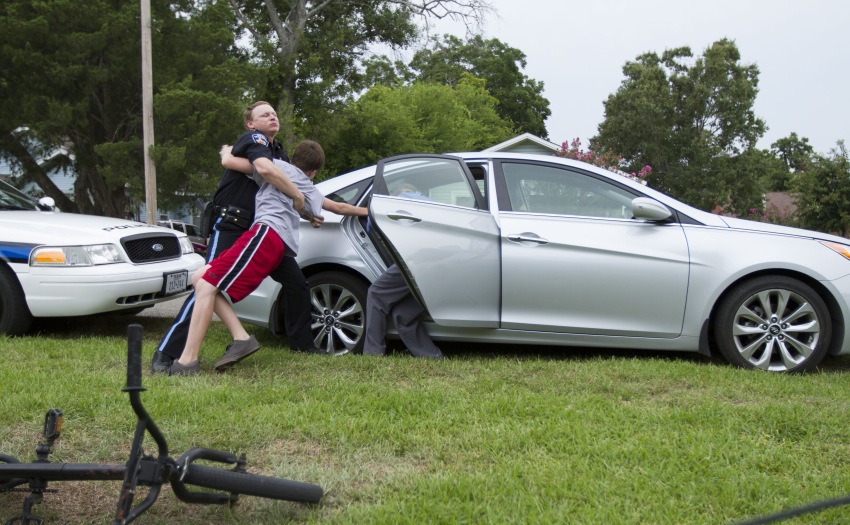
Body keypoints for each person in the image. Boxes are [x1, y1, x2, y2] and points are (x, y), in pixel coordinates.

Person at [171, 140, 367, 375]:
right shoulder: (308, 187)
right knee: (199, 277)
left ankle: (187, 362)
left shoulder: (276, 167)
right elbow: (339, 208)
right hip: (278, 243)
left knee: (207, 283)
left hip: (266, 234)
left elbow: (231, 161)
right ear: (314, 171)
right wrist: (369, 211)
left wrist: (225, 149)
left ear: (294, 158)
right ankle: (240, 337)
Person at [151, 101, 314, 374]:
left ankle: (302, 345)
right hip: (232, 224)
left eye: (274, 113)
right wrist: (298, 196)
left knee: (297, 284)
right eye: (265, 114)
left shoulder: (279, 154)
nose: (273, 117)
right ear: (250, 123)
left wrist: (311, 211)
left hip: (261, 234)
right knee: (206, 284)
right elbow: (251, 167)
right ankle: (167, 353)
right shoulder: (254, 139)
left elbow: (283, 186)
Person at [362, 184, 444, 359]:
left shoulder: (401, 204)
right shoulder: (430, 203)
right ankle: (431, 356)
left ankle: (373, 353)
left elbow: (370, 225)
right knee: (404, 313)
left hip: (418, 259)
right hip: (443, 260)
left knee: (376, 294)